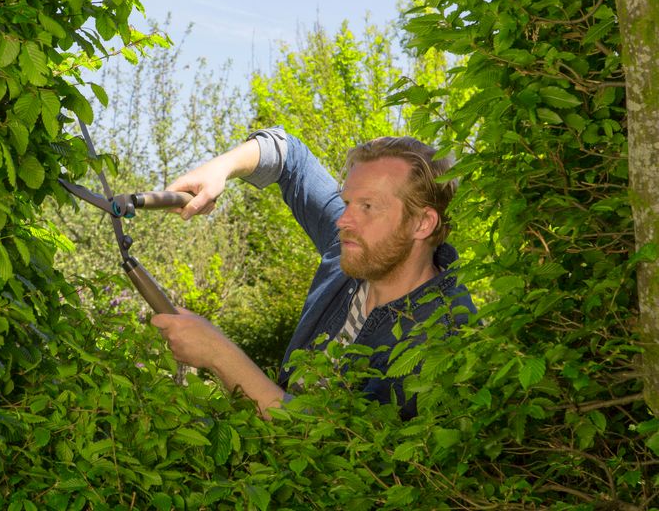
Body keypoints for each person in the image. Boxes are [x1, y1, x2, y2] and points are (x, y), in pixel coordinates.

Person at [151, 127, 475, 418]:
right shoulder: (359, 245)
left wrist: (219, 355)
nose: (343, 221)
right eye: (347, 202)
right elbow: (289, 157)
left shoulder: (444, 343)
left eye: (367, 207)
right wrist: (219, 169)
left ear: (423, 223)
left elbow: (339, 446)